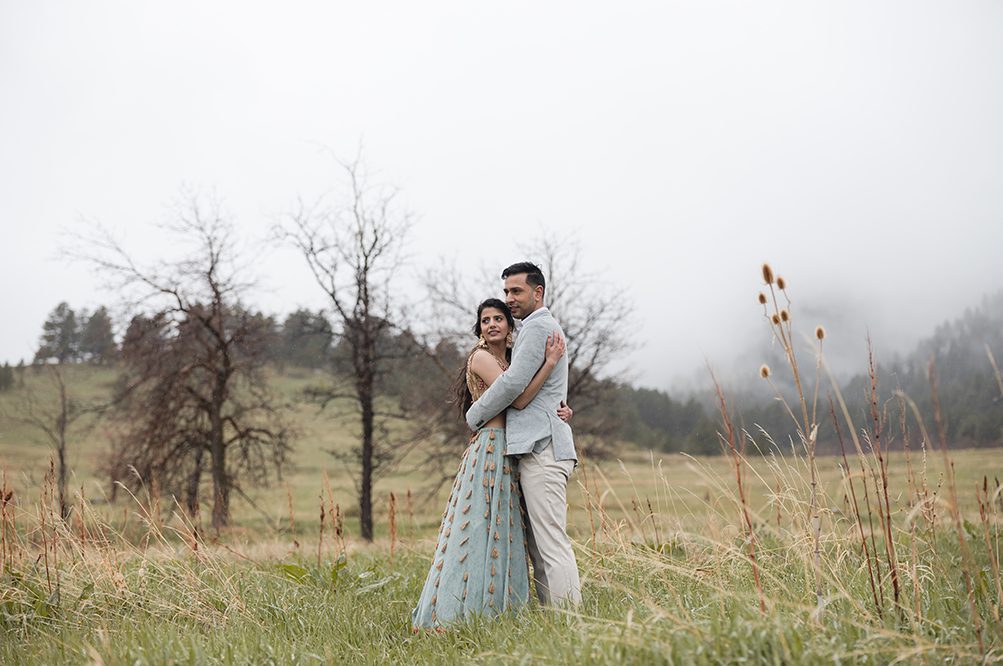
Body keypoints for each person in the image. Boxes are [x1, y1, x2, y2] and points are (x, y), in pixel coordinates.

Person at [411, 298, 571, 631]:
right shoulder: (483, 357)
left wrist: (561, 409)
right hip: (491, 448)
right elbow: (518, 395)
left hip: (511, 448)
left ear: (510, 326)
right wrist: (550, 362)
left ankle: (501, 611)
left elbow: (530, 397)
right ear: (479, 329)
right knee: (481, 529)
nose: (493, 324)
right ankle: (461, 611)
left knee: (506, 531)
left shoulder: (509, 359)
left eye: (499, 318)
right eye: (485, 320)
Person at [465, 262, 581, 608]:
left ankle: (568, 619)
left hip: (543, 449)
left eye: (516, 291)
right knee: (539, 546)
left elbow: (513, 385)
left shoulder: (537, 327)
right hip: (535, 446)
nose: (510, 299)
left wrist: (475, 416)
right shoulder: (534, 329)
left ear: (537, 292)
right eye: (506, 292)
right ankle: (553, 618)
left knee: (550, 543)